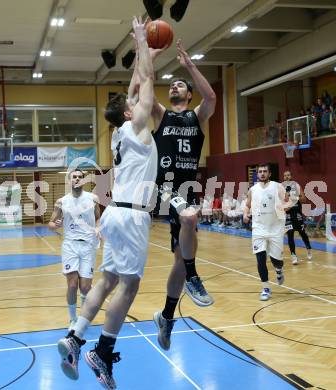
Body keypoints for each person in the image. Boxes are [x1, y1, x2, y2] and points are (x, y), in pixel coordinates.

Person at [56, 16, 158, 389]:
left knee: (107, 279)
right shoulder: (135, 126)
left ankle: (76, 335)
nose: (137, 103)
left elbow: (136, 87)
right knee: (128, 286)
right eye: (133, 105)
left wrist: (143, 47)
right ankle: (101, 350)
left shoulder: (118, 131)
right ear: (130, 113)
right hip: (130, 216)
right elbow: (146, 83)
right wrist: (143, 42)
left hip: (113, 213)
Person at [151, 39, 216, 350]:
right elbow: (144, 93)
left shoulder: (197, 117)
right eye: (172, 85)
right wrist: (148, 56)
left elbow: (212, 96)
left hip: (188, 189)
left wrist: (190, 66)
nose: (174, 87)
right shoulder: (161, 115)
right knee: (190, 218)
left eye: (180, 85)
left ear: (189, 94)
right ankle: (193, 276)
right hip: (165, 187)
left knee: (180, 256)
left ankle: (166, 317)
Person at [48, 168, 100, 330]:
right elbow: (50, 224)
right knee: (72, 285)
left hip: (88, 245)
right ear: (69, 181)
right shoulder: (61, 201)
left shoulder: (93, 199)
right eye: (74, 177)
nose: (77, 179)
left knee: (85, 287)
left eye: (80, 177)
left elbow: (98, 219)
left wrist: (98, 228)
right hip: (70, 245)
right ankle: (73, 319)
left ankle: (84, 318)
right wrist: (54, 225)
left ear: (83, 180)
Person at [243, 164, 289, 301]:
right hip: (259, 229)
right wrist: (245, 214)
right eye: (260, 172)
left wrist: (283, 207)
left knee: (276, 260)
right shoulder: (252, 189)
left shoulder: (277, 186)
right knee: (260, 259)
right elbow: (247, 204)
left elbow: (288, 201)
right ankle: (265, 288)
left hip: (275, 228)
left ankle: (279, 270)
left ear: (269, 174)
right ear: (257, 174)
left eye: (265, 171)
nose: (262, 173)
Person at [282, 170, 312, 264]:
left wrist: (296, 197)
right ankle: (293, 255)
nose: (287, 177)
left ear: (291, 176)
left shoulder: (297, 185)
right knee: (290, 234)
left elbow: (304, 200)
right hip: (287, 214)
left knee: (302, 233)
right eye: (285, 175)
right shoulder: (281, 187)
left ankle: (309, 248)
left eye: (288, 175)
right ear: (283, 177)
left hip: (297, 213)